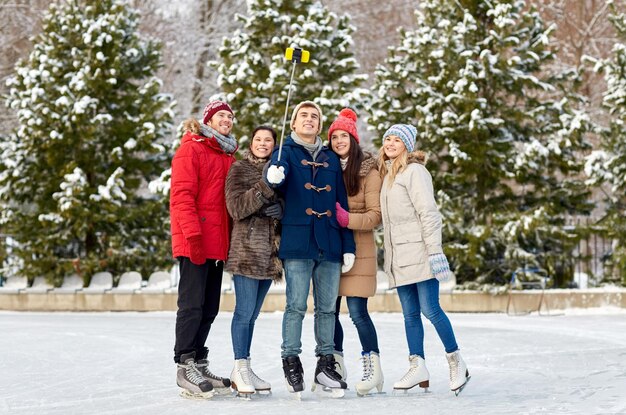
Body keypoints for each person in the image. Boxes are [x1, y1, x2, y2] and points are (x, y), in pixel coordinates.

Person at [265, 101, 356, 396]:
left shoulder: (330, 158)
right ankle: (291, 360)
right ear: (293, 124)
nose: (309, 120)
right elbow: (272, 182)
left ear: (320, 125)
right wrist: (272, 176)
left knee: (328, 308)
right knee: (295, 306)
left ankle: (325, 364)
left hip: (328, 241)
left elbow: (341, 203)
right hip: (298, 241)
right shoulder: (285, 153)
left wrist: (348, 245)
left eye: (314, 116)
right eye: (303, 115)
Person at [378, 124, 470, 395]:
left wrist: (434, 251)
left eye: (397, 140)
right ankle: (417, 364)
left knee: (430, 309)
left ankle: (456, 361)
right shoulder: (389, 175)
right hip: (400, 256)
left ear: (407, 145)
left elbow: (428, 213)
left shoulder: (415, 171)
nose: (391, 143)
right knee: (409, 315)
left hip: (419, 252)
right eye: (387, 139)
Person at [169, 100, 237, 398]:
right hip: (195, 241)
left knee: (209, 307)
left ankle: (199, 359)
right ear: (208, 119)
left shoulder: (227, 154)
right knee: (192, 305)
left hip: (217, 244)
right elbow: (182, 197)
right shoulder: (192, 148)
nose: (227, 120)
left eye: (230, 117)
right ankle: (185, 365)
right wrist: (193, 237)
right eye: (221, 115)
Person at [328, 108, 384, 396]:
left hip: (360, 252)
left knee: (358, 312)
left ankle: (372, 366)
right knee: (330, 311)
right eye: (334, 136)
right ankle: (335, 365)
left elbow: (376, 215)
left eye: (344, 136)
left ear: (353, 138)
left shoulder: (368, 170)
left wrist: (348, 219)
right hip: (331, 251)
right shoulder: (326, 167)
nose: (339, 141)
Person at [224, 126, 283, 397]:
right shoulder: (239, 168)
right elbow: (236, 208)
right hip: (247, 251)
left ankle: (245, 365)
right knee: (244, 313)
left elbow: (287, 205)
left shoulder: (281, 169)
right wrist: (264, 185)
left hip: (269, 256)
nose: (263, 143)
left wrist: (281, 209)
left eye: (268, 140)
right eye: (258, 139)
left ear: (274, 145)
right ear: (251, 143)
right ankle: (239, 367)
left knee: (253, 315)